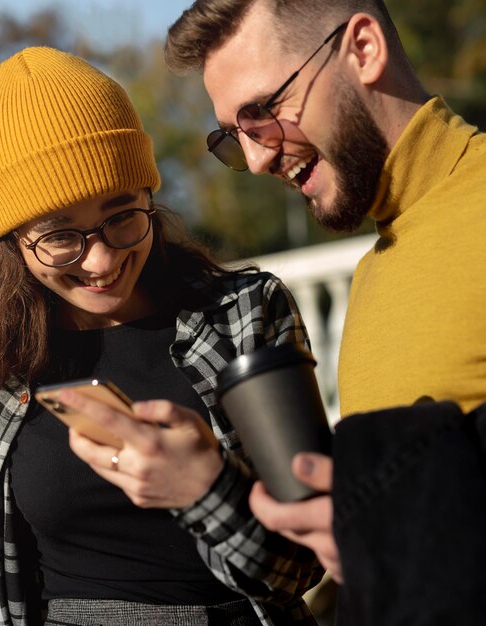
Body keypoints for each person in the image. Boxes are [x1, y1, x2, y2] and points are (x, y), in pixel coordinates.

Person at [0, 46, 325, 626]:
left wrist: (207, 488)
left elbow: (305, 563)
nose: (103, 259)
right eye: (61, 236)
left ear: (150, 197)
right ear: (12, 243)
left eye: (122, 216)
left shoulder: (246, 314)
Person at [164, 0, 486, 621]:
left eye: (263, 112)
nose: (256, 158)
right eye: (235, 135)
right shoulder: (378, 265)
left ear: (363, 49)